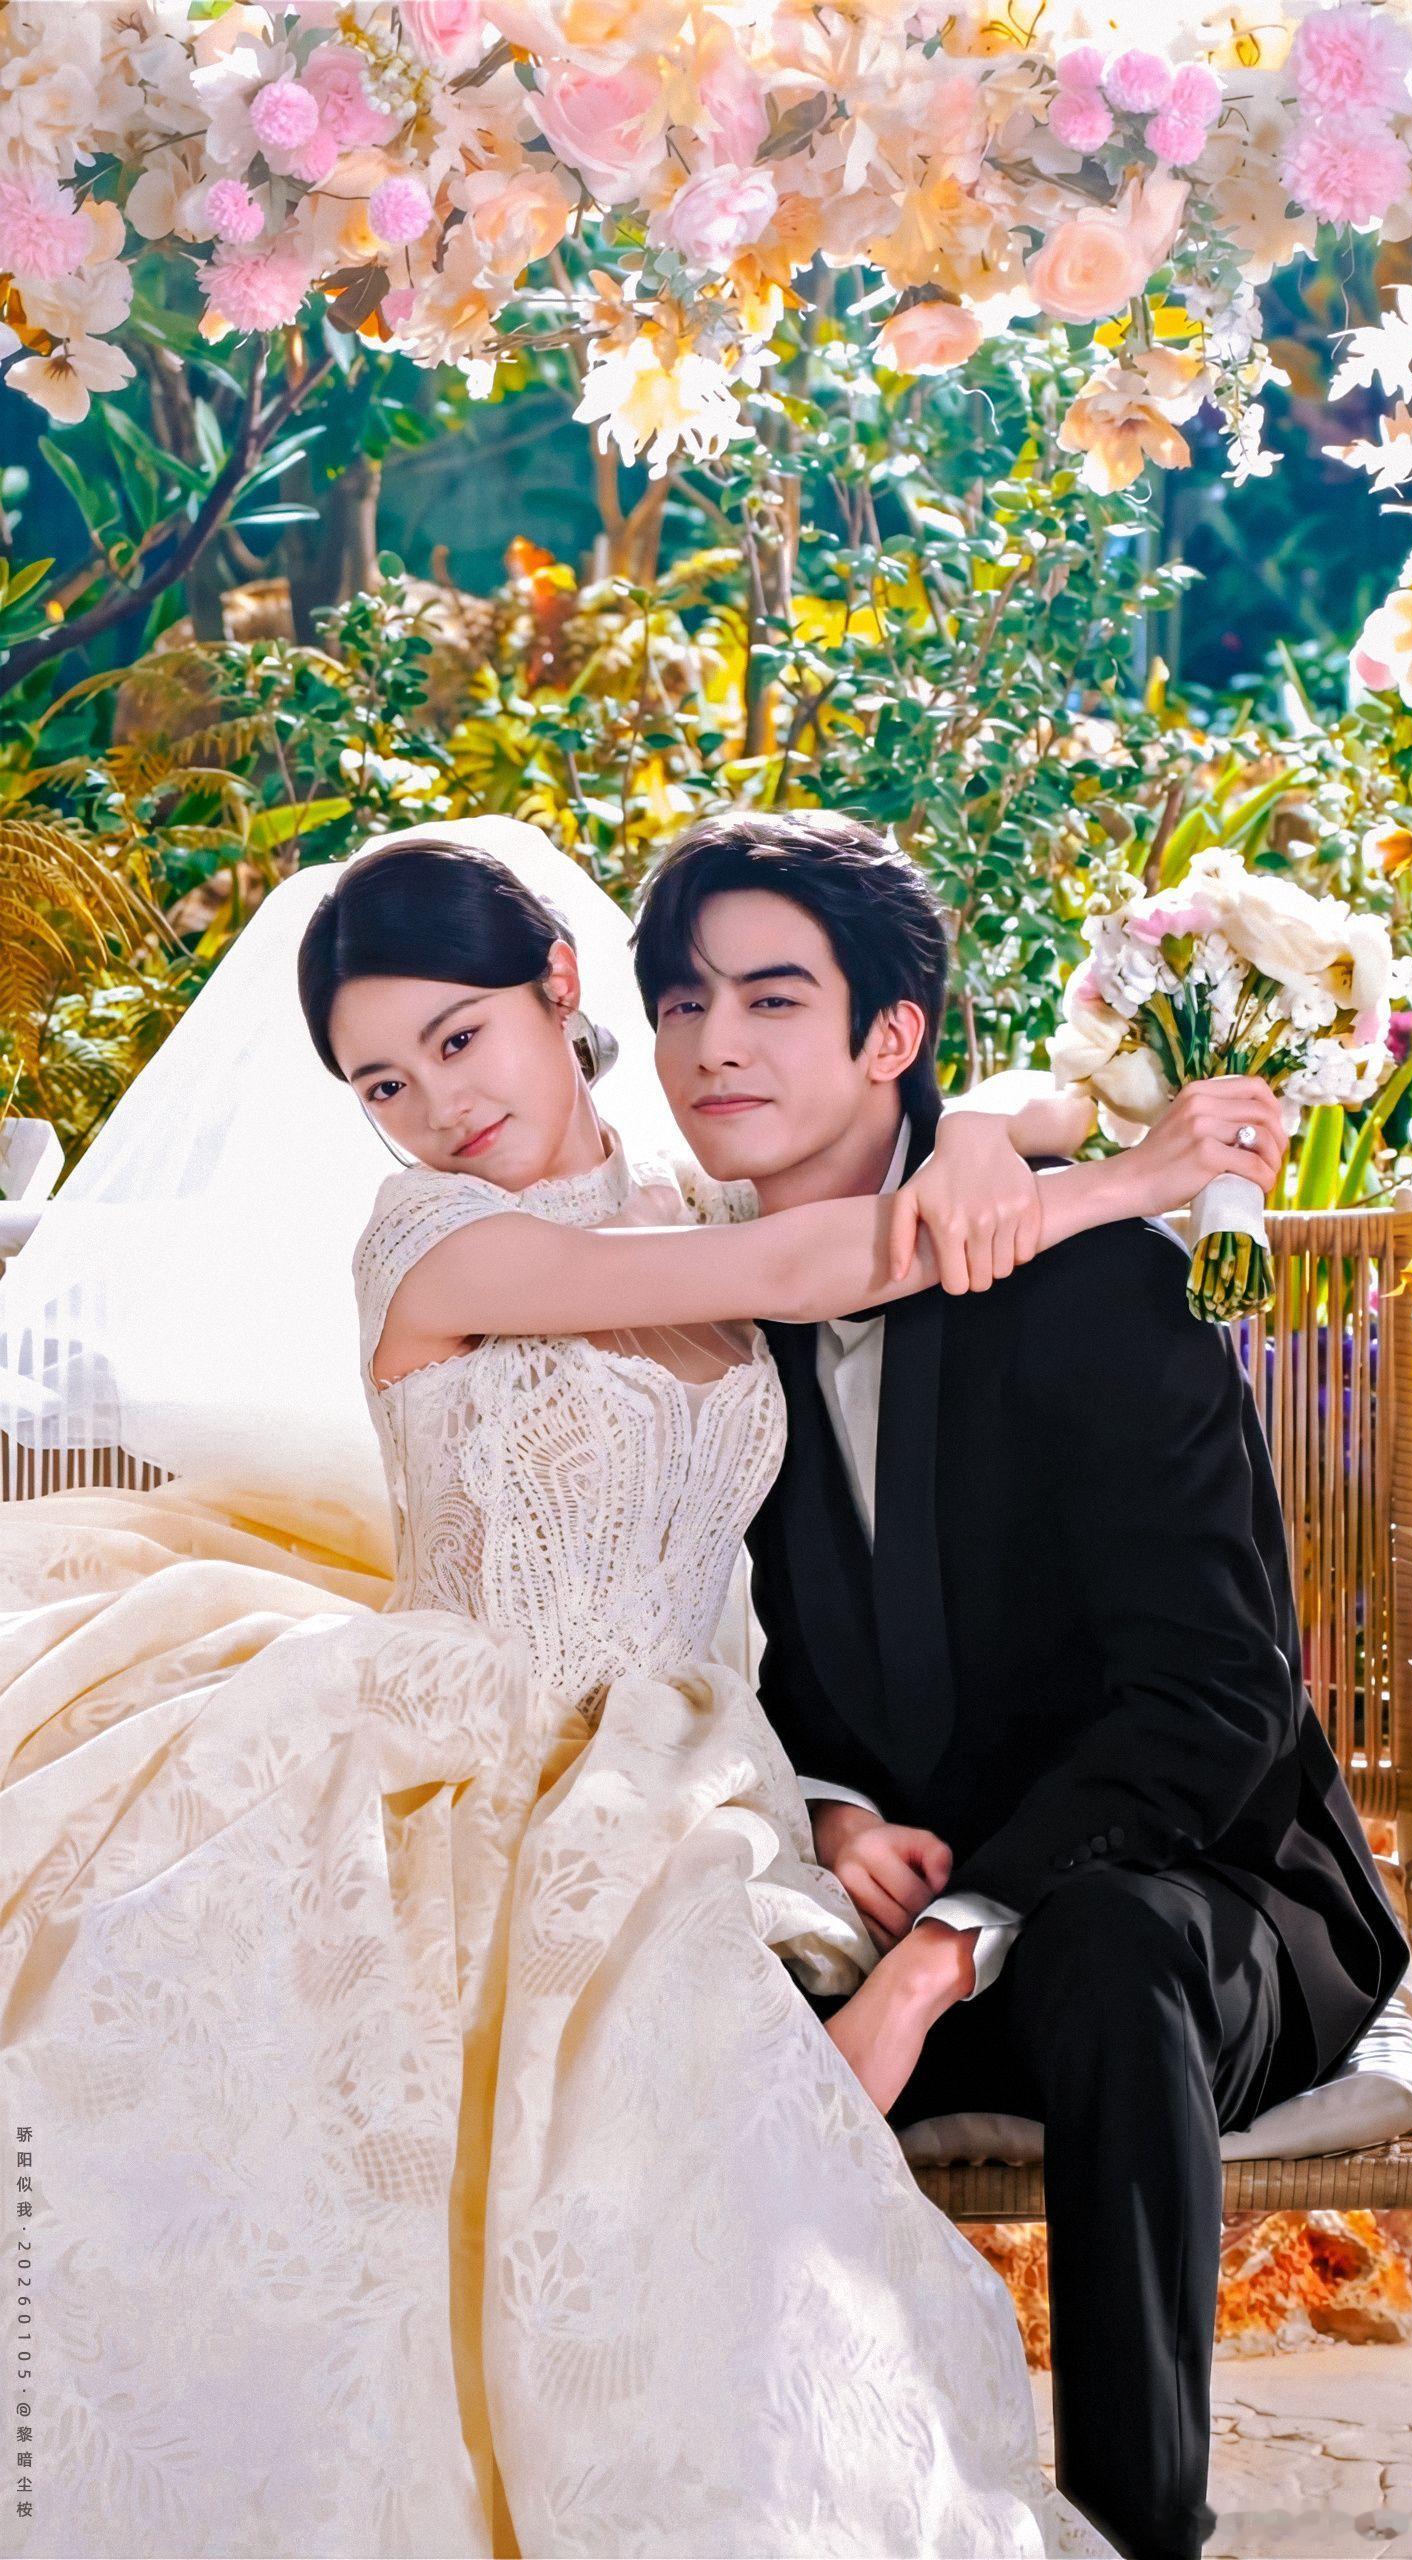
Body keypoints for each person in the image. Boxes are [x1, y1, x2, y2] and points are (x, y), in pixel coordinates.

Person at [0, 815, 1268, 2560]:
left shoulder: (693, 1188)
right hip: (456, 1756)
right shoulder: (437, 1242)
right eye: (383, 1084)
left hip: (684, 1768)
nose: (440, 1105)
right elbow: (808, 1267)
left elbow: (913, 1140)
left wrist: (998, 1127)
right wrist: (1130, 1182)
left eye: (461, 1038)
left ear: (556, 987)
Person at [628, 807, 1412, 2560]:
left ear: (891, 1036)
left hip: (1199, 1894)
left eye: (771, 998)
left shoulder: (1101, 1284)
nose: (714, 1045)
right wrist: (826, 1813)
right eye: (682, 1004)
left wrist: (944, 1945)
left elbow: (1217, 1701)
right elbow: (698, 1644)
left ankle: (1141, 2525)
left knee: (1113, 1946)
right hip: (876, 1890)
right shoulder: (705, 1305)